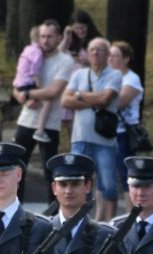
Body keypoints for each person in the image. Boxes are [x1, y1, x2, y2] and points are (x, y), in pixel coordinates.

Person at [61, 37, 121, 221]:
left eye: (100, 50)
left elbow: (105, 100)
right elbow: (65, 101)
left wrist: (79, 96)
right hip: (79, 138)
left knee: (108, 185)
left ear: (107, 54)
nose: (95, 53)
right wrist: (91, 98)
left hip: (104, 141)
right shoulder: (79, 74)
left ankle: (110, 224)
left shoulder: (115, 75)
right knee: (77, 181)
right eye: (92, 49)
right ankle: (79, 221)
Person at [14, 21, 73, 171]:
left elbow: (54, 91)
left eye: (50, 37)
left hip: (49, 124)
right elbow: (17, 86)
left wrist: (27, 94)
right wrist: (21, 96)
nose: (45, 40)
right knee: (16, 170)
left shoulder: (65, 61)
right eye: (42, 36)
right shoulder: (32, 54)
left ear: (59, 37)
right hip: (26, 120)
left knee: (50, 171)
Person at [109, 41, 144, 180]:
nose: (110, 59)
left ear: (126, 59)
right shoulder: (105, 77)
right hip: (105, 132)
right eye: (109, 55)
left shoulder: (132, 79)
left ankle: (132, 202)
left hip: (123, 133)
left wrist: (96, 98)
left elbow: (119, 103)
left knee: (126, 175)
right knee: (103, 176)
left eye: (115, 56)